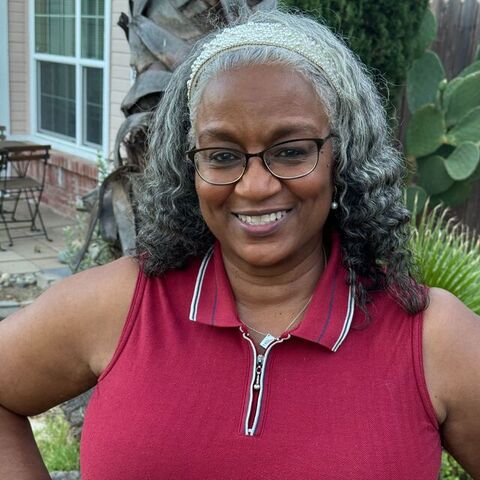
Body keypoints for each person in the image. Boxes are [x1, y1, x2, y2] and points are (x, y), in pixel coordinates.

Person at [1, 9, 479, 479]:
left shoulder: (431, 340)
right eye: (223, 155)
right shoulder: (120, 306)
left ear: (344, 156)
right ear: (190, 168)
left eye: (291, 151)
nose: (254, 186)